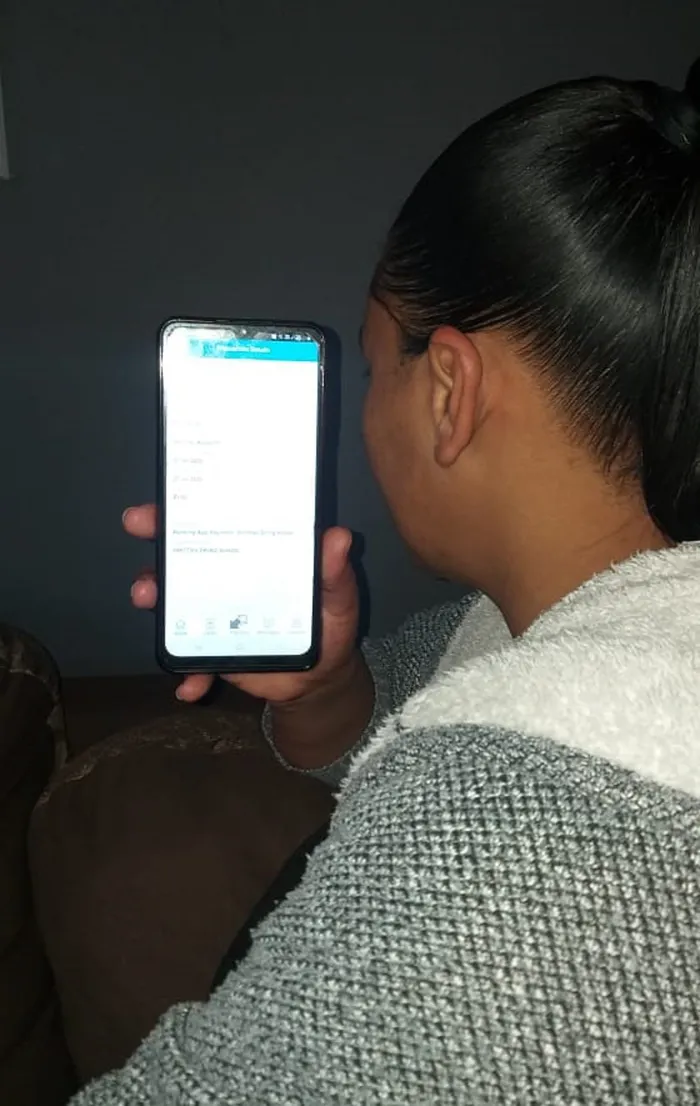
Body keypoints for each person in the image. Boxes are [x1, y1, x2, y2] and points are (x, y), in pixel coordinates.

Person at [73, 59, 700, 1104]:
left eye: (373, 370)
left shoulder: (512, 843)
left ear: (448, 389)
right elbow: (401, 714)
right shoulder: (539, 617)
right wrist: (328, 685)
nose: (370, 412)